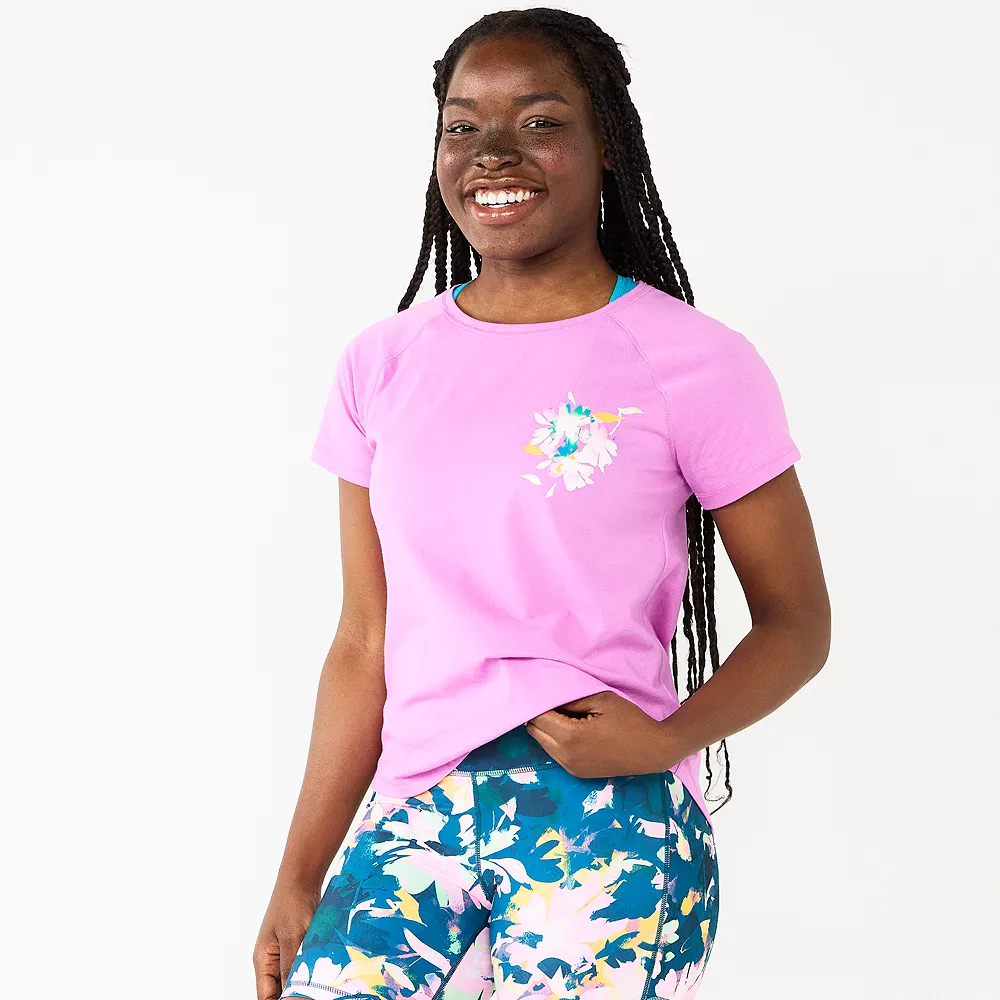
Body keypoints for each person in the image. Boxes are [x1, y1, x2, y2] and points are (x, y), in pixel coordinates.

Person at [253, 9, 831, 1000]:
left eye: (540, 121)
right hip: (416, 813)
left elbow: (797, 621)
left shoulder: (694, 362)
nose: (494, 153)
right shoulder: (382, 364)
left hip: (609, 822)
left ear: (607, 144)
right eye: (463, 125)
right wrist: (299, 875)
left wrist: (669, 738)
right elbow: (363, 638)